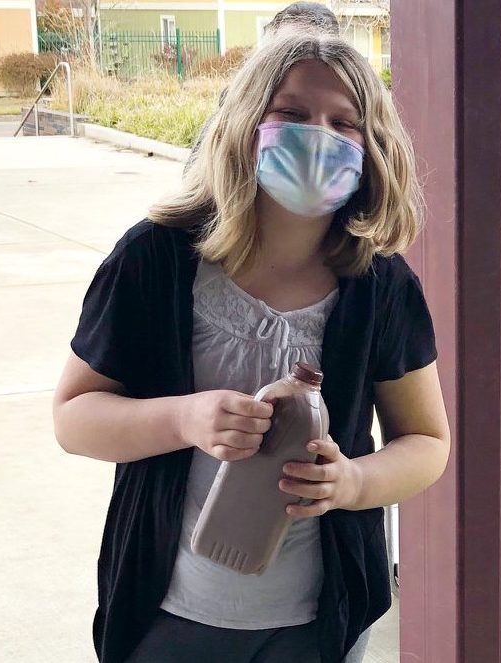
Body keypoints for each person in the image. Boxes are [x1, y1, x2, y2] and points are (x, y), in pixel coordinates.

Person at [53, 31, 449, 663]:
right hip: (167, 610)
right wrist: (185, 417)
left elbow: (426, 443)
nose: (317, 134)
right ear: (243, 122)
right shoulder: (154, 260)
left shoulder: (381, 285)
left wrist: (352, 482)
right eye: (290, 113)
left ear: (374, 151)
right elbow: (74, 419)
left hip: (320, 623)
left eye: (345, 123)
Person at [183, 2, 342, 171]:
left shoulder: (352, 128)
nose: (295, 65)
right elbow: (196, 183)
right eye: (281, 51)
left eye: (310, 52)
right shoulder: (226, 121)